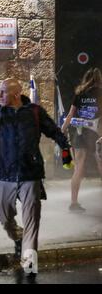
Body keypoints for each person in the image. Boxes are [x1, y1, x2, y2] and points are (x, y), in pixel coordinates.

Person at [0, 78, 72, 274]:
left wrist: (65, 148)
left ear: (15, 94)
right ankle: (17, 237)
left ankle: (29, 264)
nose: (0, 96)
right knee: (3, 215)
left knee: (32, 220)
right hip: (5, 174)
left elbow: (54, 131)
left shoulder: (34, 112)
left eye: (3, 92)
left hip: (30, 174)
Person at [61, 67, 102, 212]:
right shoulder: (100, 92)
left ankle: (74, 203)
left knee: (78, 167)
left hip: (79, 132)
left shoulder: (79, 93)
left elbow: (71, 114)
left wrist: (62, 130)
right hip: (96, 133)